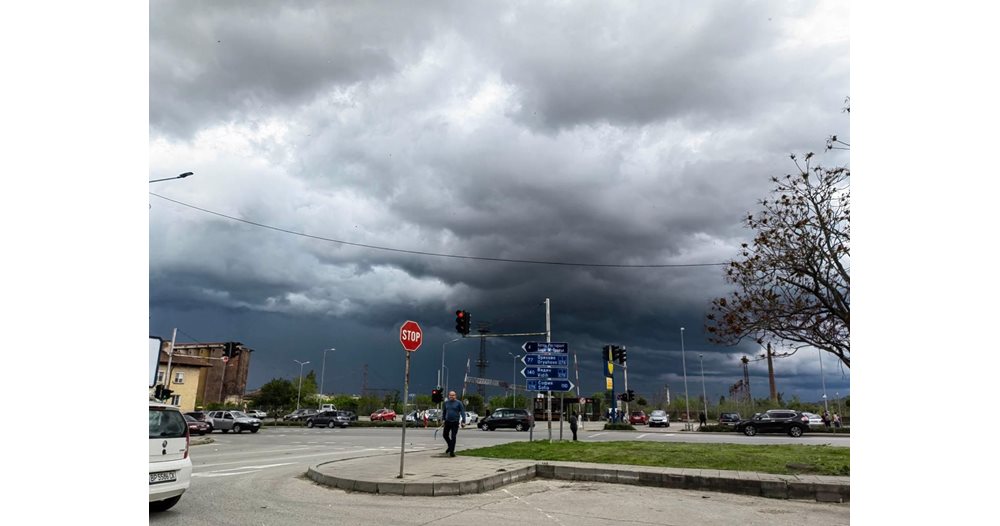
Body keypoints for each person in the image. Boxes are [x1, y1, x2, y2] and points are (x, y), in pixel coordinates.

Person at [441, 391, 466, 457]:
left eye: (453, 395)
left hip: (455, 422)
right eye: (450, 395)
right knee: (445, 435)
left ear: (455, 396)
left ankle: (452, 452)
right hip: (447, 421)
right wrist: (443, 419)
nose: (451, 396)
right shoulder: (446, 403)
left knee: (453, 436)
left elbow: (463, 412)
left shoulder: (459, 403)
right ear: (448, 396)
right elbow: (444, 412)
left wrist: (463, 421)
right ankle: (450, 446)